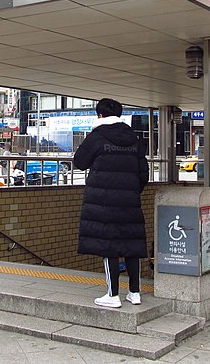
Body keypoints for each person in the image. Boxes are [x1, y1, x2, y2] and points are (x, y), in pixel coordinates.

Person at [73, 98, 149, 308]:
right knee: (131, 245)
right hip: (130, 201)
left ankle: (112, 295)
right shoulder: (133, 138)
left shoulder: (97, 137)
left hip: (103, 202)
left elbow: (79, 163)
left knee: (109, 247)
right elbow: (144, 174)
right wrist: (132, 193)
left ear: (99, 115)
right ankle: (134, 293)